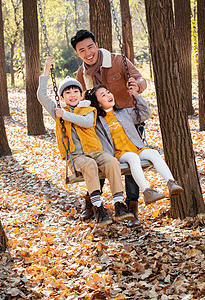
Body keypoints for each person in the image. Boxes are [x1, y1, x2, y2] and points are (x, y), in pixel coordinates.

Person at [37, 57, 133, 227]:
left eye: (75, 92)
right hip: (76, 155)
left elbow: (87, 123)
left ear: (81, 95)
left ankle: (119, 204)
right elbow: (41, 95)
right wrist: (46, 69)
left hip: (96, 151)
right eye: (67, 93)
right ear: (62, 97)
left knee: (111, 161)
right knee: (89, 165)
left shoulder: (88, 110)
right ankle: (98, 207)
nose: (72, 95)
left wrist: (64, 115)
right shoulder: (58, 110)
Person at [71, 29, 147, 227]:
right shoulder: (81, 73)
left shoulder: (117, 60)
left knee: (131, 163)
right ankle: (92, 201)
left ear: (96, 45)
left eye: (90, 47)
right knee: (100, 158)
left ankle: (131, 207)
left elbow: (141, 80)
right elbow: (78, 101)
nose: (88, 53)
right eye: (82, 50)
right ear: (77, 53)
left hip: (129, 120)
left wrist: (136, 87)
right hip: (102, 126)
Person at [85, 84, 184, 205]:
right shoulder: (98, 122)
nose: (108, 95)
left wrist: (136, 96)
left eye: (108, 92)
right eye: (103, 95)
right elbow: (100, 140)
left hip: (137, 147)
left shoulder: (124, 112)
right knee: (133, 158)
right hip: (120, 154)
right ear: (98, 103)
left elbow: (145, 114)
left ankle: (171, 183)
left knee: (153, 153)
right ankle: (147, 191)